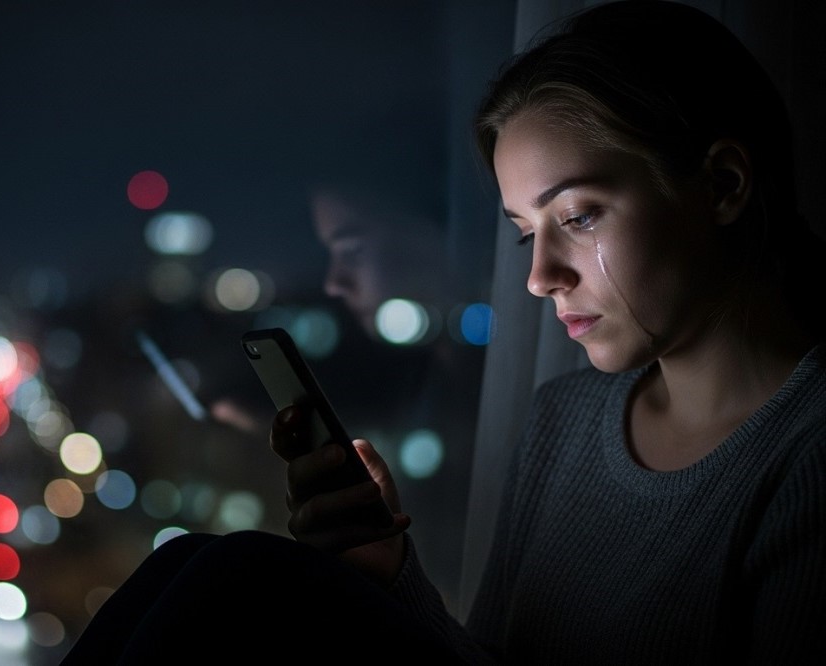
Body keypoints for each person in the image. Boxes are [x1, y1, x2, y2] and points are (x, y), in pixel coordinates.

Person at [62, 1, 826, 663]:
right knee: (204, 566)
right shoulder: (568, 419)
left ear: (723, 185)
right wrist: (389, 569)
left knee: (236, 578)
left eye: (580, 215)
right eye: (527, 234)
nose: (540, 276)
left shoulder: (806, 454)